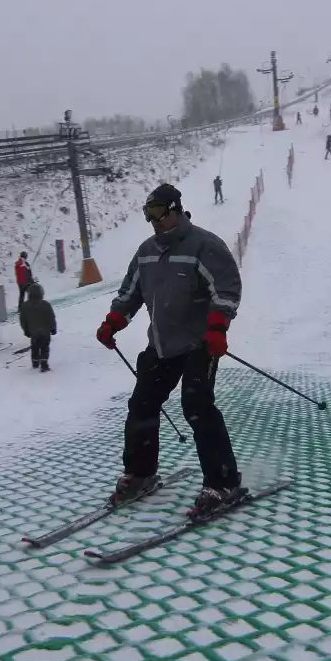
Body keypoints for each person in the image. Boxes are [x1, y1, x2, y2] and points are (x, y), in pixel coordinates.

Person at [96, 183, 245, 518]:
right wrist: (114, 320)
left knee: (196, 406)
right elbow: (130, 291)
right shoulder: (147, 250)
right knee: (142, 404)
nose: (153, 222)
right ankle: (140, 474)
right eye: (148, 215)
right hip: (161, 345)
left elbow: (226, 288)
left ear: (176, 209)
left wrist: (218, 327)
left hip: (198, 344)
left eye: (159, 214)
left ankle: (224, 482)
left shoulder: (204, 245)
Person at [19, 283, 57, 372]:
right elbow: (51, 317)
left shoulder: (25, 306)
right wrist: (53, 328)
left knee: (35, 347)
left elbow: (23, 320)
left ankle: (35, 362)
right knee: (45, 347)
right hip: (45, 331)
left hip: (33, 332)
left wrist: (26, 330)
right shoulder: (45, 305)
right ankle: (44, 364)